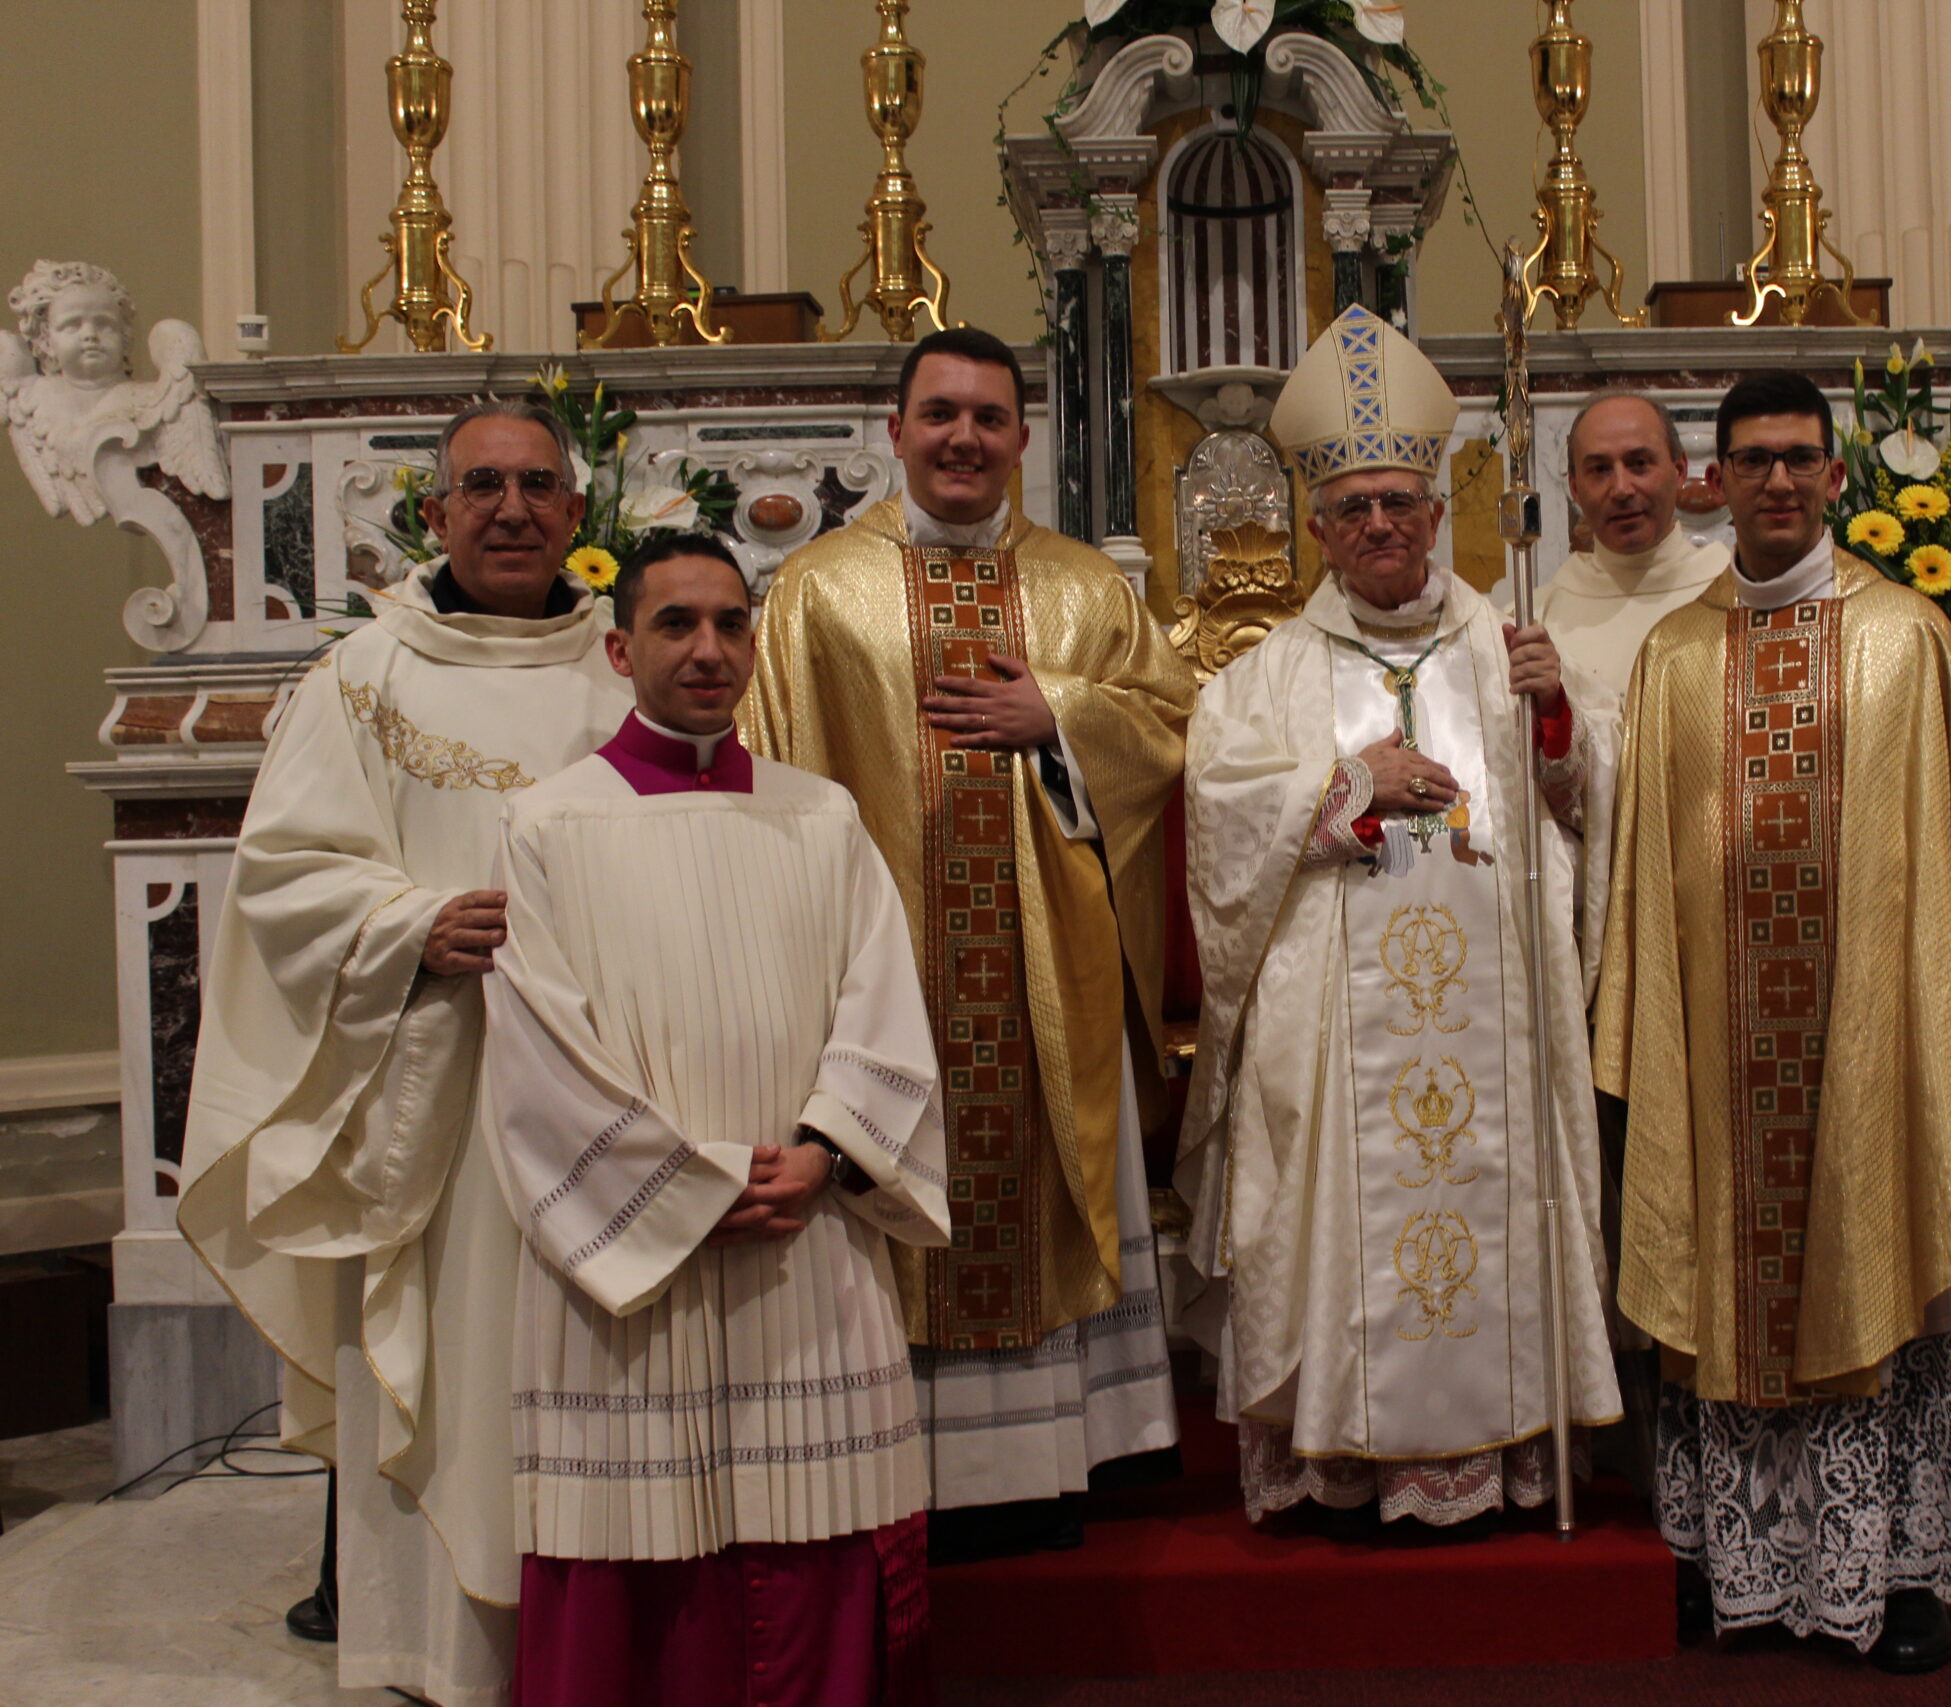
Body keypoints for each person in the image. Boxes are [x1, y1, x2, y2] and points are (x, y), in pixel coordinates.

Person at [1594, 369, 1951, 1671]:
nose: (1777, 479)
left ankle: (1902, 1567)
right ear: (1714, 481)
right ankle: (1724, 1557)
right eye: (1751, 459)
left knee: (1881, 1267)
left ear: (1835, 477)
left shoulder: (1910, 637)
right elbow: (1640, 876)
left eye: (1799, 456)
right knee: (1719, 1286)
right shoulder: (1675, 652)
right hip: (1723, 1055)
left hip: (1868, 1046)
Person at [178, 399, 630, 1706]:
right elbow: (281, 877)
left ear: (576, 515)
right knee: (461, 1360)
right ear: (434, 516)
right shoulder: (362, 680)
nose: (511, 509)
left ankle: (597, 1647)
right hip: (445, 1095)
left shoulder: (634, 669)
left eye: (539, 485)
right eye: (482, 486)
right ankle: (450, 1657)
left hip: (609, 1096)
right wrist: (416, 923)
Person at [741, 326, 1193, 1561]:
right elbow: (770, 771)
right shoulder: (816, 592)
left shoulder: (1086, 590)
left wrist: (1065, 716)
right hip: (878, 975)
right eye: (939, 414)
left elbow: (1168, 734)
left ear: (1021, 440)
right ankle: (902, 1458)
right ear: (893, 432)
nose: (963, 439)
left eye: (989, 418)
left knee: (1041, 1177)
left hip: (1048, 969)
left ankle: (1047, 1461)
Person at [1177, 305, 1622, 1532]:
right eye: (1353, 507)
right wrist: (1341, 790)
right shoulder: (1259, 678)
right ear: (1315, 527)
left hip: (1498, 1022)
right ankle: (1343, 1455)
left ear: (1437, 512)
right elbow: (1216, 820)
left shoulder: (1511, 646)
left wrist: (1559, 730)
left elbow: (1593, 808)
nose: (1380, 524)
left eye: (1400, 502)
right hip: (1330, 1043)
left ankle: (1505, 1445)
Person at [484, 533, 947, 1707]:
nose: (708, 649)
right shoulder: (548, 825)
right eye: (677, 624)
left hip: (803, 1232)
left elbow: (882, 1002)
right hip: (638, 1271)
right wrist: (687, 1188)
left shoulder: (822, 816)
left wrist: (827, 1153)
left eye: (730, 624)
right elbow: (539, 1054)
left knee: (811, 1535)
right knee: (638, 1551)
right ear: (618, 646)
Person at [1539, 390, 1730, 695]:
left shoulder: (1734, 593)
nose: (1621, 489)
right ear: (1575, 488)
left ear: (1679, 470)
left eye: (1639, 463)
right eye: (1600, 470)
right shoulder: (1538, 618)